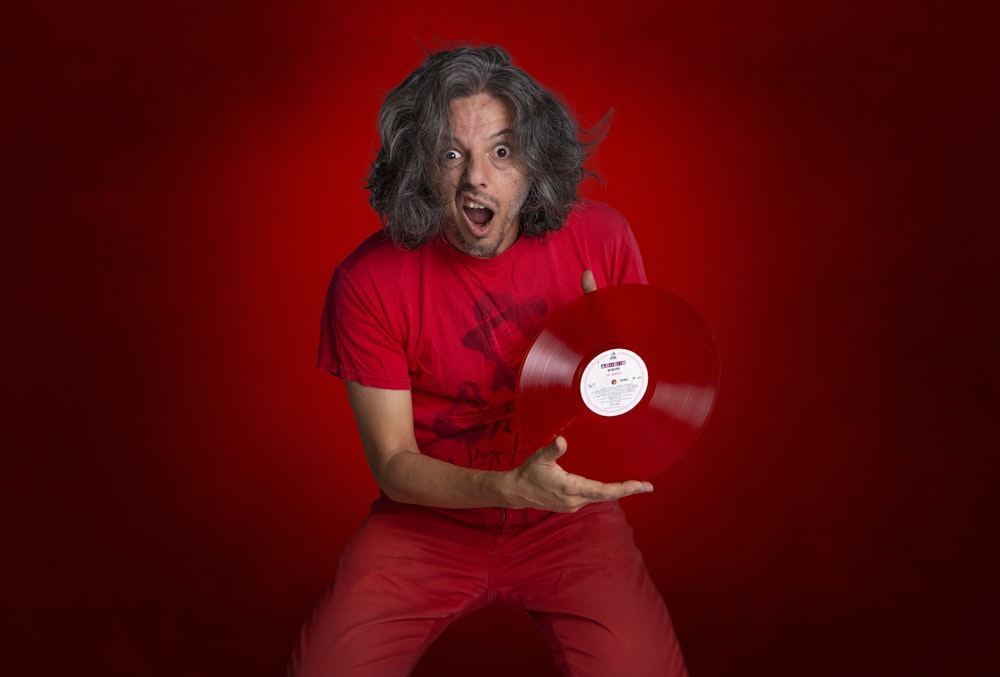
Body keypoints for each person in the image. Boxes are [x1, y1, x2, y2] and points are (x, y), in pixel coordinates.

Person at [287, 45, 688, 676]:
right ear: (420, 169)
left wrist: (617, 363)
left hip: (567, 522)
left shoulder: (601, 240)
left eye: (501, 152)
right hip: (429, 521)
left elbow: (639, 410)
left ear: (534, 162)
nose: (477, 177)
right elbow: (393, 464)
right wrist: (506, 487)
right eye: (451, 154)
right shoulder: (367, 282)